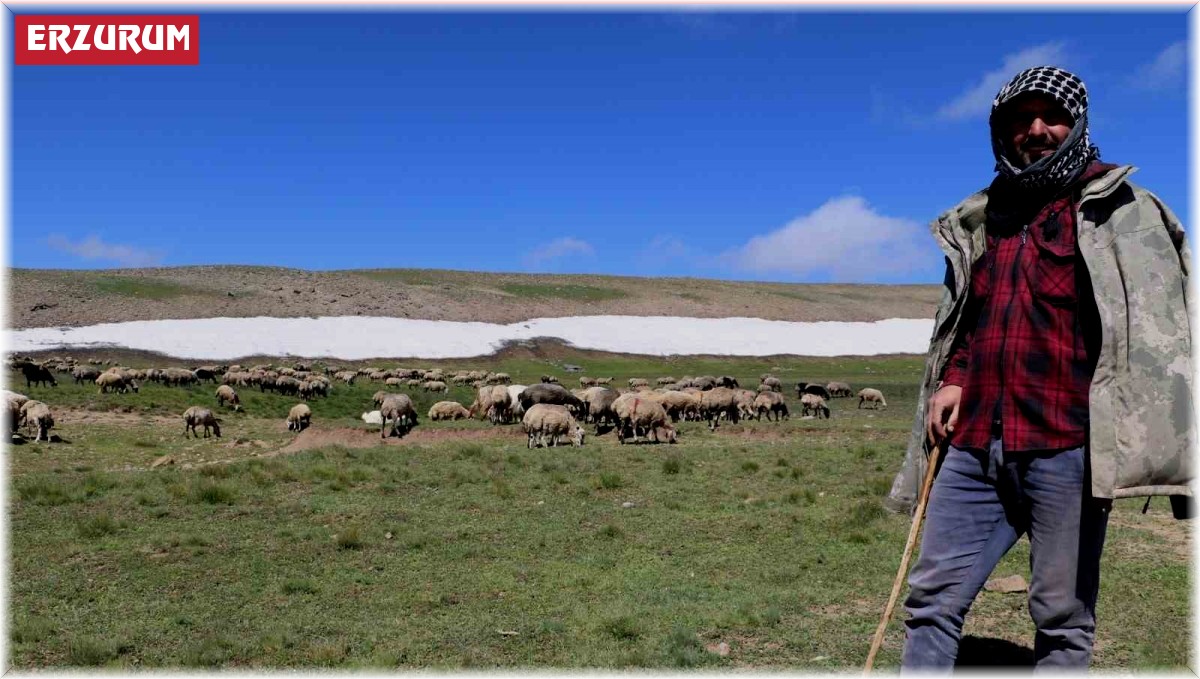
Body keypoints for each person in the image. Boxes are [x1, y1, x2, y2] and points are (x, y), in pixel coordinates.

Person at [883, 65, 1194, 669]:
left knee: (1062, 616)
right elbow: (971, 319)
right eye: (1020, 119)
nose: (1036, 129)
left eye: (1050, 115)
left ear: (1076, 122)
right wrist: (954, 377)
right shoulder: (985, 216)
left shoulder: (1122, 210)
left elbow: (1158, 329)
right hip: (975, 445)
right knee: (931, 600)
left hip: (1067, 448)